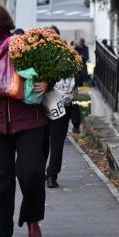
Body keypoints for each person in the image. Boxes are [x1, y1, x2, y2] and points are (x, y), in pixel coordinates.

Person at [0, 4, 48, 237]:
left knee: (31, 172)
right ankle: (2, 228)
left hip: (29, 119)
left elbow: (47, 66)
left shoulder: (22, 42)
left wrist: (48, 82)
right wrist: (1, 48)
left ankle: (32, 218)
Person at [42, 26, 78, 188]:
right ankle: (52, 175)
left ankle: (40, 171)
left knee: (42, 139)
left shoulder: (39, 55)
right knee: (57, 142)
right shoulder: (68, 54)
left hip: (43, 102)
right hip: (63, 103)